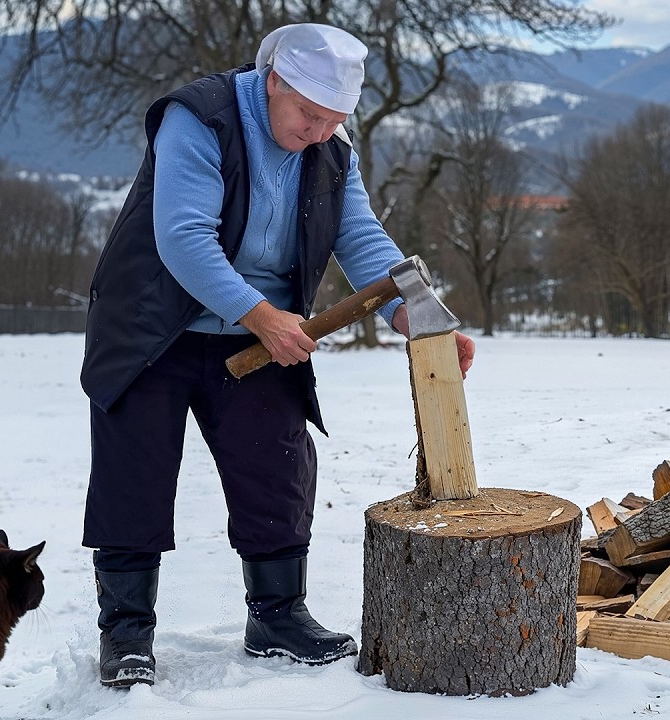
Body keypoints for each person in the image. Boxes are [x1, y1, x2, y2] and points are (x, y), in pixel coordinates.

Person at [77, 23, 476, 688]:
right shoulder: (199, 120)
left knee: (278, 468)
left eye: (334, 120)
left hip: (257, 337)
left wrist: (416, 317)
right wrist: (261, 315)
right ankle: (125, 634)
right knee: (134, 476)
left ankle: (277, 616)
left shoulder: (330, 150)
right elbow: (183, 238)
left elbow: (360, 237)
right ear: (273, 82)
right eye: (309, 115)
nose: (319, 131)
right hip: (152, 326)